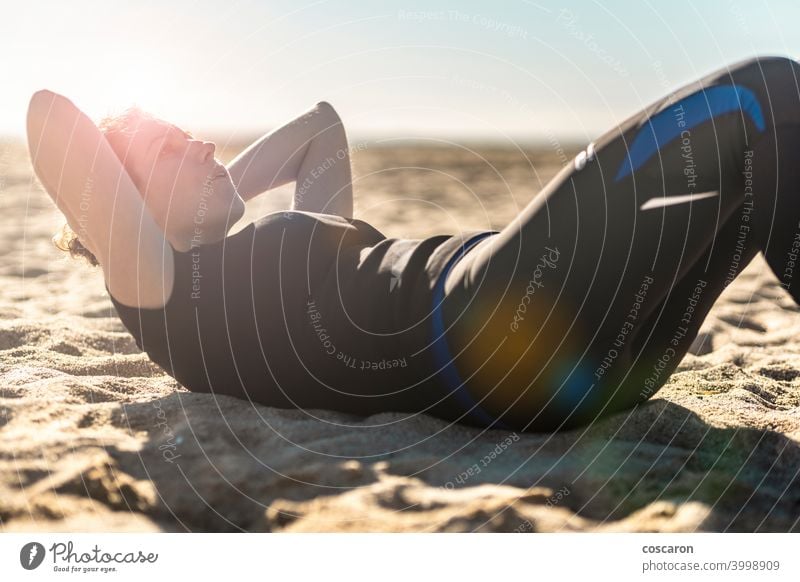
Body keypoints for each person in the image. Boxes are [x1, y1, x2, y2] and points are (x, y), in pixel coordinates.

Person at [26, 55, 800, 433]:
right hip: (501, 322)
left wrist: (201, 175)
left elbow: (320, 128)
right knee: (767, 94)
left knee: (755, 167)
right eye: (171, 152)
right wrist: (143, 196)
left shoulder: (238, 272)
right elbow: (49, 118)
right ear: (116, 220)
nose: (202, 144)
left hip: (602, 363)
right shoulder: (164, 296)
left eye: (192, 136)